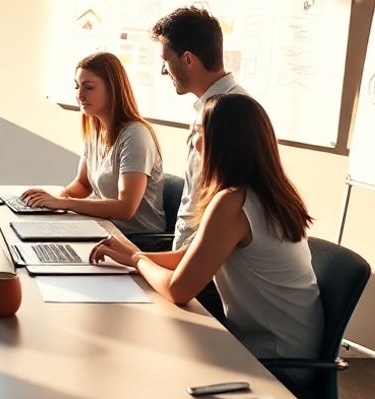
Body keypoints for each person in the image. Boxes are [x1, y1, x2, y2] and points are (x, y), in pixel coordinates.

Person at [89, 94, 323, 382]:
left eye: (198, 132)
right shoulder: (265, 193)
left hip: (275, 363)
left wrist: (137, 260)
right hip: (288, 347)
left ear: (221, 142)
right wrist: (129, 255)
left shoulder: (233, 203)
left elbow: (179, 290)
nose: (193, 141)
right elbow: (190, 256)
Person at [19, 52, 166, 236]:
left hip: (137, 240)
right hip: (105, 229)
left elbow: (125, 209)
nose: (79, 95)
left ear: (112, 89)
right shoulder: (95, 130)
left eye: (88, 87)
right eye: (77, 86)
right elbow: (83, 184)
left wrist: (63, 203)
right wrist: (53, 199)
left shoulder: (136, 135)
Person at [152, 6, 249, 250]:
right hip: (189, 251)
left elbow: (225, 204)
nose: (163, 70)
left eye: (166, 60)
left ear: (188, 59)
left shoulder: (234, 113)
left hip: (206, 262)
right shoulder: (207, 106)